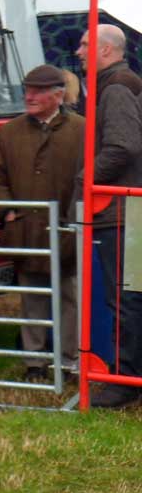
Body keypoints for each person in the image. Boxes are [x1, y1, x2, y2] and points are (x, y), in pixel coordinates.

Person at [0, 64, 85, 381]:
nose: (29, 96)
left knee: (70, 297)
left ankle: (70, 361)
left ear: (58, 95)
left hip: (68, 229)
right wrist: (7, 211)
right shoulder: (9, 132)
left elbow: (90, 180)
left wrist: (77, 219)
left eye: (38, 91)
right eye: (27, 89)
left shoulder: (83, 130)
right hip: (26, 230)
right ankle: (34, 362)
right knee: (31, 297)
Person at [76, 23, 142, 408]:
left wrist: (87, 180)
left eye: (85, 45)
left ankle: (124, 379)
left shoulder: (115, 88)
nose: (78, 52)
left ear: (105, 50)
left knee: (125, 296)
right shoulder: (121, 84)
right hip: (125, 207)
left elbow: (122, 146)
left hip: (120, 210)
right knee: (130, 294)